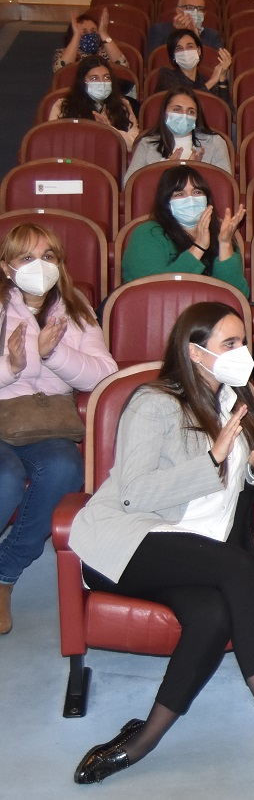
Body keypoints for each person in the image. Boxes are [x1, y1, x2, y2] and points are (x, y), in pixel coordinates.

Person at [68, 302, 254, 784]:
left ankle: (143, 740)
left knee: (212, 615)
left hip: (196, 551)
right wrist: (212, 458)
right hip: (128, 542)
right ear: (195, 353)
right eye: (230, 344)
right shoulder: (154, 402)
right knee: (238, 567)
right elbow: (135, 493)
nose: (243, 352)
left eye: (244, 341)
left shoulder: (242, 402)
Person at [0, 223, 116, 636]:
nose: (40, 266)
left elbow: (104, 374)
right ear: (7, 267)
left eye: (48, 257)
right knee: (6, 477)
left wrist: (53, 355)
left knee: (65, 467)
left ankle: (6, 573)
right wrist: (11, 367)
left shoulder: (75, 305)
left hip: (46, 421)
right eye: (27, 258)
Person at [121, 166, 249, 298]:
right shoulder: (147, 234)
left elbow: (238, 296)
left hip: (210, 315)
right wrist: (198, 247)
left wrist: (225, 244)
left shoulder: (221, 232)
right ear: (166, 203)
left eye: (197, 192)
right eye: (179, 194)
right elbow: (151, 290)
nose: (191, 199)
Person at [125, 87, 233, 185]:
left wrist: (197, 170)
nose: (184, 116)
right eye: (177, 110)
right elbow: (129, 184)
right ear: (165, 113)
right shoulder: (147, 143)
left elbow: (225, 186)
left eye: (190, 111)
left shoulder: (215, 142)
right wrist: (165, 168)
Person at [48, 56, 140, 150]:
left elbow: (135, 143)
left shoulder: (123, 105)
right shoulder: (63, 105)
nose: (102, 83)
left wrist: (111, 131)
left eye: (106, 77)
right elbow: (53, 140)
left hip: (108, 159)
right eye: (94, 78)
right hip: (73, 159)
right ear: (83, 81)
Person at [155, 29, 233, 109]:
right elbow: (184, 102)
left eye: (190, 47)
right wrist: (212, 81)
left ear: (198, 51)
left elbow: (227, 113)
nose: (185, 52)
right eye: (179, 49)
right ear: (173, 56)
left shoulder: (205, 80)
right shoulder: (166, 76)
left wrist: (222, 78)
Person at [54, 10, 130, 72]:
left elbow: (124, 67)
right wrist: (76, 36)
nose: (90, 35)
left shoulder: (106, 52)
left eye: (94, 32)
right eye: (84, 32)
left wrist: (104, 34)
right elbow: (61, 70)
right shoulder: (62, 53)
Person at [146, 0, 223, 55]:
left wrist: (196, 38)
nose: (195, 12)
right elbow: (153, 60)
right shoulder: (160, 30)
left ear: (204, 14)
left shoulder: (213, 36)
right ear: (179, 11)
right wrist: (178, 33)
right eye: (189, 7)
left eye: (200, 9)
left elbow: (215, 63)